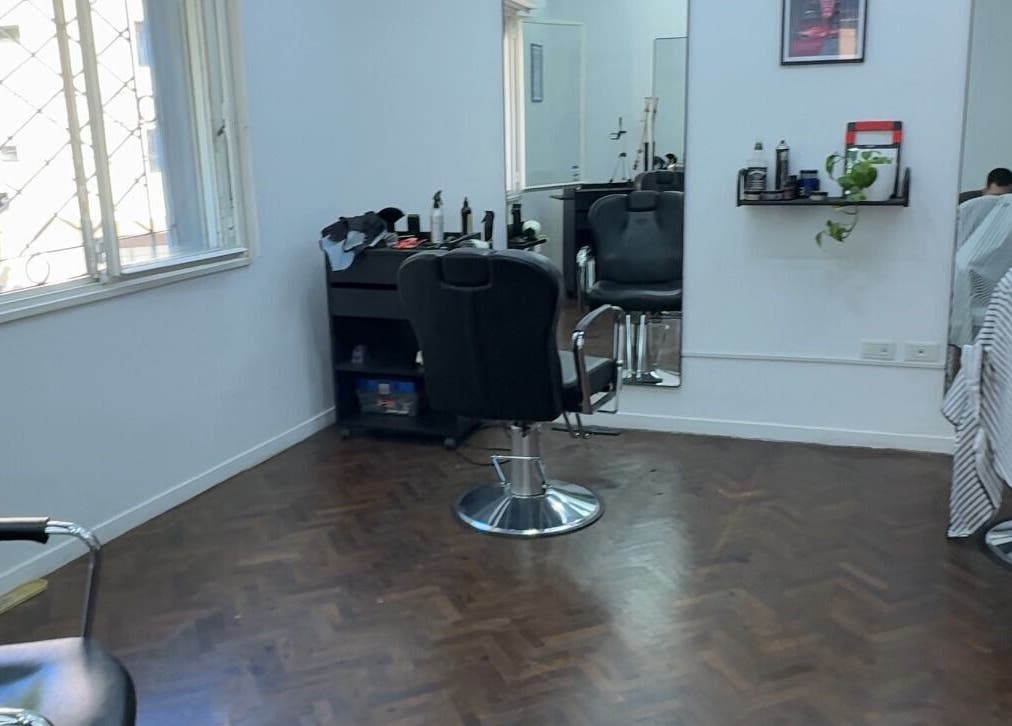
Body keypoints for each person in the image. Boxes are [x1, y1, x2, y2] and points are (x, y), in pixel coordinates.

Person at [957, 167, 1012, 249]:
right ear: (986, 188)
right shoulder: (964, 200)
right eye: (995, 196)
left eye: (1004, 196)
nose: (1000, 200)